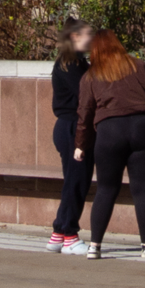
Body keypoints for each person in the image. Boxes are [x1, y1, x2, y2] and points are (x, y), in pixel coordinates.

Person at [72, 28, 145, 260]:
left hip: (110, 131)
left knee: (106, 189)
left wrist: (81, 144)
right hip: (143, 128)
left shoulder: (91, 76)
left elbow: (84, 113)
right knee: (143, 189)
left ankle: (95, 245)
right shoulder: (140, 67)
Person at [46, 19, 95, 254]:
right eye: (88, 35)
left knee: (73, 181)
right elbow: (87, 96)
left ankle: (59, 232)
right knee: (77, 181)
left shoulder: (74, 62)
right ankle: (70, 235)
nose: (91, 40)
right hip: (73, 128)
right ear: (75, 36)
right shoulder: (71, 65)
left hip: (69, 126)